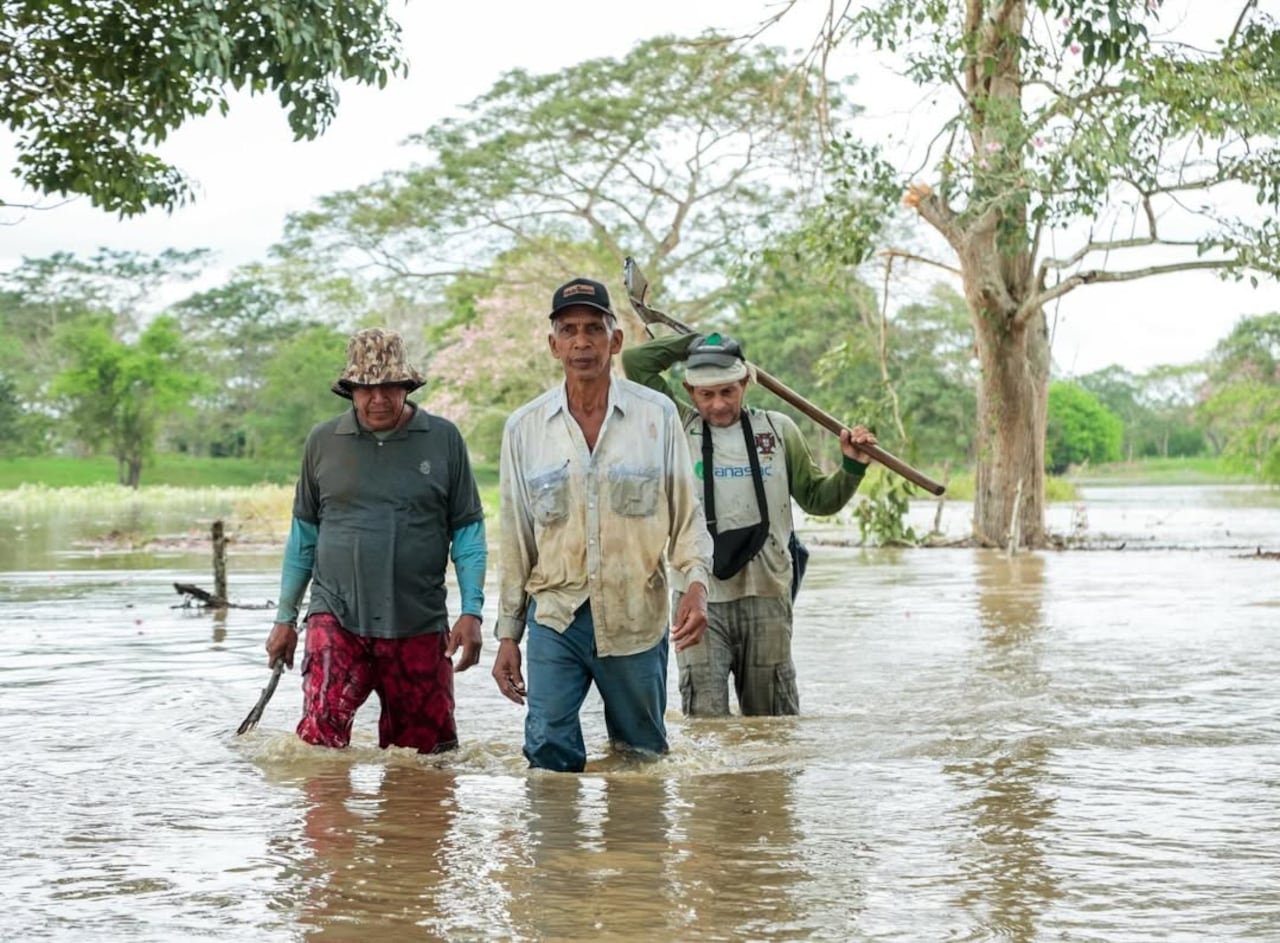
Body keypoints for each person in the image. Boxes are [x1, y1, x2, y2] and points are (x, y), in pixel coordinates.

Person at [492, 277, 712, 772]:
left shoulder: (657, 417)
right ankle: (556, 850)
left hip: (636, 613)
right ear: (553, 346)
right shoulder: (524, 429)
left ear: (616, 342)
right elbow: (516, 539)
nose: (581, 342)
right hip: (556, 615)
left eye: (594, 329)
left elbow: (685, 516)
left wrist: (696, 584)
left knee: (642, 758)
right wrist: (508, 633)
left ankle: (634, 851)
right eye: (568, 331)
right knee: (547, 751)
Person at [621, 330, 877, 717]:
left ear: (745, 382)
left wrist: (852, 466)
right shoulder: (677, 425)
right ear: (690, 392)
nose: (719, 404)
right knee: (705, 722)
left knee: (772, 724)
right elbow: (636, 363)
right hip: (697, 596)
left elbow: (819, 500)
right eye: (706, 395)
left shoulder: (778, 430)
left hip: (768, 594)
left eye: (728, 391)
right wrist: (696, 341)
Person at [263, 327, 487, 754]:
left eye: (389, 386)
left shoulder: (443, 440)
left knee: (426, 765)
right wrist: (286, 618)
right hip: (336, 616)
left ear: (407, 385)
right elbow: (303, 538)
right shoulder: (323, 442)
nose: (378, 398)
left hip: (418, 622)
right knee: (318, 748)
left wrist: (471, 612)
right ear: (349, 389)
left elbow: (468, 533)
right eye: (366, 388)